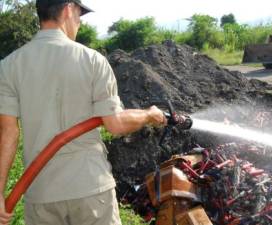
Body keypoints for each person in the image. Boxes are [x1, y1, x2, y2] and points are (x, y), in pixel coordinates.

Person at [0, 0, 166, 224]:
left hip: (41, 194)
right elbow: (115, 124)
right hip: (90, 189)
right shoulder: (93, 60)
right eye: (79, 15)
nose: (78, 23)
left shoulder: (9, 65)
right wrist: (149, 114)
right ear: (68, 9)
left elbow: (8, 133)